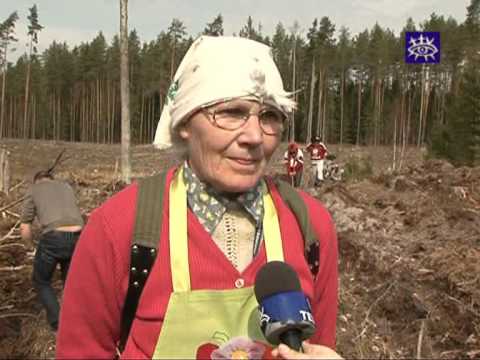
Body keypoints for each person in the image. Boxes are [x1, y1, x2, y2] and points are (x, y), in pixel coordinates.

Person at [56, 35, 340, 359]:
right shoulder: (120, 227)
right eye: (232, 112)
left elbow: (321, 346)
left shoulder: (310, 226)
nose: (254, 136)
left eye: (270, 116)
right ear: (186, 123)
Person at [20, 170, 83, 332]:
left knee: (41, 281)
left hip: (53, 237)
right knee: (70, 281)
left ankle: (58, 324)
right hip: (79, 235)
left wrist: (30, 248)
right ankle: (76, 320)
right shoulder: (66, 187)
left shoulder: (34, 189)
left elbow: (25, 226)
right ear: (51, 179)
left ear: (37, 181)